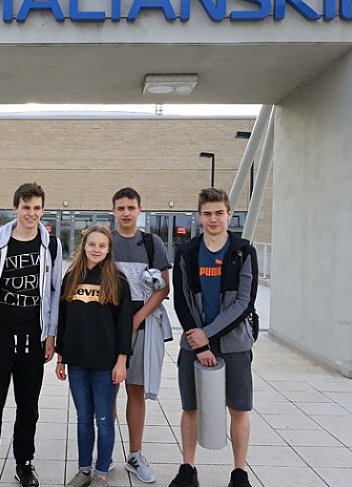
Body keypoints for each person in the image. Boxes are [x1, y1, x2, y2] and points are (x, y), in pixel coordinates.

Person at [0, 183, 62, 487]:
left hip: (32, 337)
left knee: (28, 408)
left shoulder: (51, 246)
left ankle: (24, 463)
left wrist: (51, 335)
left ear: (43, 210)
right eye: (26, 207)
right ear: (15, 209)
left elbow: (55, 293)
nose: (31, 213)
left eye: (37, 208)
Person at [170, 187, 258, 487]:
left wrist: (206, 336)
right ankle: (188, 469)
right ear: (199, 216)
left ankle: (239, 473)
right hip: (193, 344)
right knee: (190, 408)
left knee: (239, 408)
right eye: (207, 214)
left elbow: (244, 302)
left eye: (219, 213)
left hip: (233, 345)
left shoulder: (243, 251)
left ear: (229, 214)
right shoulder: (187, 252)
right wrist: (199, 345)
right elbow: (181, 300)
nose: (213, 219)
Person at [55, 226, 133, 487]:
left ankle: (101, 473)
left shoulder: (117, 280)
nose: (96, 249)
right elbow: (63, 320)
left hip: (105, 363)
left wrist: (121, 361)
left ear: (109, 249)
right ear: (84, 246)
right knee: (83, 418)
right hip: (77, 360)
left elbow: (124, 324)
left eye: (102, 245)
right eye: (92, 244)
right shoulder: (71, 277)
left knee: (104, 419)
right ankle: (84, 470)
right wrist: (61, 358)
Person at [110, 187, 172, 483]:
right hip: (109, 327)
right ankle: (105, 452)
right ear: (113, 211)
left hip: (141, 324)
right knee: (107, 390)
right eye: (120, 208)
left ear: (139, 210)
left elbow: (163, 288)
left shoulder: (151, 243)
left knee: (135, 390)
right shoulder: (105, 240)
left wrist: (137, 318)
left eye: (131, 207)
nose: (126, 213)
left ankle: (135, 454)